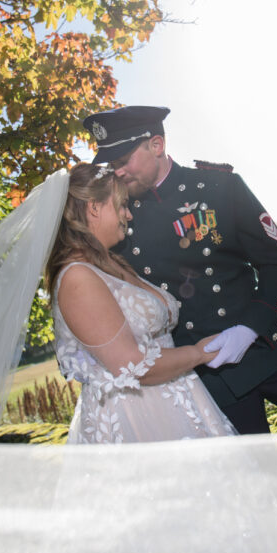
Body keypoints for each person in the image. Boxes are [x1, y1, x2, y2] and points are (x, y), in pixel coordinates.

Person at [82, 106, 277, 434]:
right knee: (253, 479)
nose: (116, 172)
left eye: (123, 160)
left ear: (156, 145)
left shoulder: (219, 187)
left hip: (273, 342)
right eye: (111, 164)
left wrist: (250, 328)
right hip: (205, 376)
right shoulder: (119, 218)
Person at [45, 162, 236, 443]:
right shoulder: (77, 278)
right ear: (94, 208)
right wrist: (199, 353)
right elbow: (132, 364)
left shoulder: (111, 263)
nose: (128, 214)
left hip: (177, 399)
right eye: (121, 205)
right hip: (136, 418)